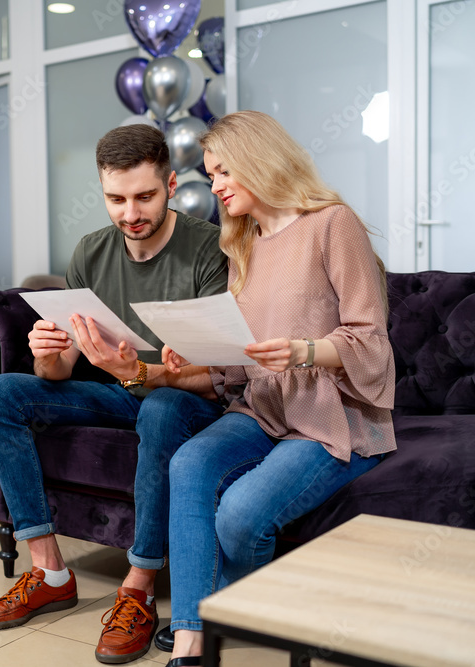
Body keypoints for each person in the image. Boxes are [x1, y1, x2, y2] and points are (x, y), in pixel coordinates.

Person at [0, 123, 229, 664]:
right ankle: (49, 572)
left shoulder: (211, 248)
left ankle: (136, 590)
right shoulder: (91, 251)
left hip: (182, 398)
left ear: (171, 184)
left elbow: (221, 372)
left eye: (144, 196)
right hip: (115, 392)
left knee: (160, 407)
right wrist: (46, 350)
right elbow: (59, 371)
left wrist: (144, 370)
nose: (129, 212)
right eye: (115, 198)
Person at [159, 111, 396, 667]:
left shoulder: (332, 224)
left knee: (240, 518)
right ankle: (192, 638)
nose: (213, 186)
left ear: (255, 163)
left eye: (220, 172)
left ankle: (256, 615)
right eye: (209, 174)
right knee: (190, 463)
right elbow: (241, 366)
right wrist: (187, 358)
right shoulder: (242, 243)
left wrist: (303, 350)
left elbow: (371, 339)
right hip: (263, 407)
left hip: (331, 411)